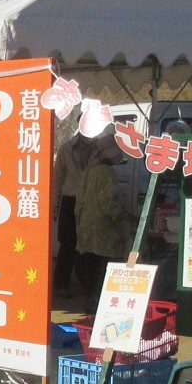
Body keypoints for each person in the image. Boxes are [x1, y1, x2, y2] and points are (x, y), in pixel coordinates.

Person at [73, 133, 131, 311]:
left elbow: (79, 202)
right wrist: (124, 215)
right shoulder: (106, 172)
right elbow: (109, 203)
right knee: (104, 271)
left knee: (90, 270)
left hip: (85, 229)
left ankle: (91, 302)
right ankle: (98, 305)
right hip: (104, 232)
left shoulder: (89, 169)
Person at [52, 131, 96, 299]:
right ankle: (61, 285)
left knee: (88, 245)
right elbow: (58, 179)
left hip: (90, 200)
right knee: (67, 244)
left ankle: (86, 285)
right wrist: (54, 205)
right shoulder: (66, 148)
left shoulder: (98, 148)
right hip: (70, 200)